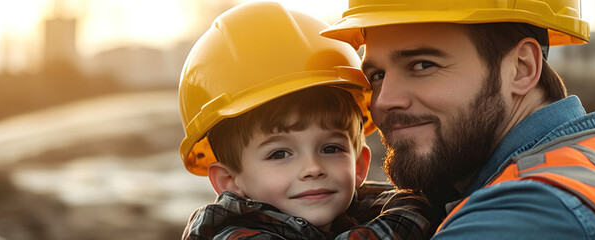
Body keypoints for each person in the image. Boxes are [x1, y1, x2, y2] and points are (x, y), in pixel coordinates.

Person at [319, 0, 595, 239]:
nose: (385, 100)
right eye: (377, 75)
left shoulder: (521, 215)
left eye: (423, 64)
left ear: (522, 68)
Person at [177, 2, 438, 239]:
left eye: (331, 149)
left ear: (359, 165)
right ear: (229, 181)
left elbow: (409, 206)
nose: (313, 168)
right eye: (279, 154)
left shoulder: (380, 210)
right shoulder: (234, 235)